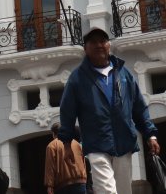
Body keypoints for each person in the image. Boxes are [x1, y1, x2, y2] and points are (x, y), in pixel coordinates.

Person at [57, 27, 159, 194]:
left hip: (124, 141)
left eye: (102, 41)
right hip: (96, 143)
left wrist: (150, 134)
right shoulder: (77, 78)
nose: (99, 45)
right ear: (85, 48)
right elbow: (67, 111)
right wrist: (67, 143)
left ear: (109, 45)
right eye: (93, 42)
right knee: (107, 191)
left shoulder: (124, 74)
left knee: (124, 191)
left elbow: (138, 106)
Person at [44, 124, 86, 194]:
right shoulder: (76, 143)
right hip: (80, 183)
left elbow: (50, 167)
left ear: (54, 134)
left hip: (63, 185)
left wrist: (49, 185)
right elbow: (83, 162)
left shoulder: (51, 146)